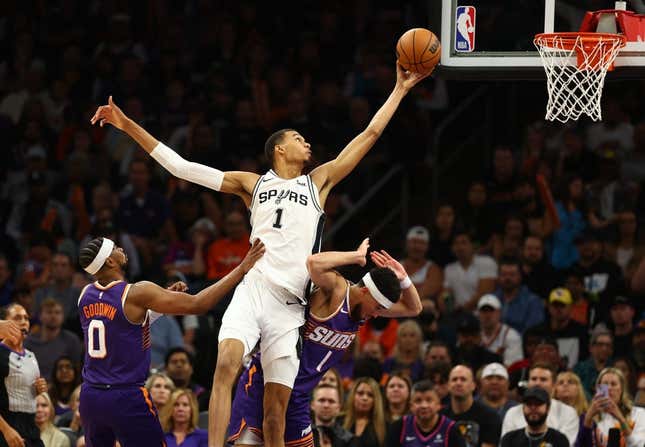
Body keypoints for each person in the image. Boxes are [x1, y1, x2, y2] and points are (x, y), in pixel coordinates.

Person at [91, 62, 430, 447]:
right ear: (279, 148)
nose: (307, 144)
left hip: (290, 306)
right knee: (224, 367)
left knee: (275, 414)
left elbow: (368, 134)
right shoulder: (251, 184)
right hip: (254, 288)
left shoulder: (319, 182)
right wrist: (126, 123)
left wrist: (400, 90)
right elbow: (181, 167)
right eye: (299, 138)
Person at [227, 242, 422, 446]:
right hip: (264, 383)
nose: (376, 314)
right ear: (365, 291)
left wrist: (404, 279)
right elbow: (314, 262)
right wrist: (356, 257)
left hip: (299, 397)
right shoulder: (337, 290)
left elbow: (414, 308)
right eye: (377, 307)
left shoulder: (364, 310)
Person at [76, 236, 264, 447]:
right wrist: (242, 268)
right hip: (125, 395)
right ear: (110, 261)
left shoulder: (85, 295)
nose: (121, 248)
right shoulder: (138, 292)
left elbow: (122, 324)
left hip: (90, 396)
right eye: (115, 248)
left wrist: (160, 303)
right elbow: (198, 304)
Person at [0, 303, 49, 447]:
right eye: (17, 318)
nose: (23, 322)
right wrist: (6, 431)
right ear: (4, 323)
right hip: (8, 426)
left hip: (31, 427)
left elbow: (29, 393)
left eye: (26, 318)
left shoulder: (31, 356)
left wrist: (39, 390)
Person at [502, 363, 579, 445]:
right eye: (534, 379)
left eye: (543, 379)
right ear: (528, 383)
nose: (537, 383)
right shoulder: (512, 413)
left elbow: (566, 443)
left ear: (553, 385)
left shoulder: (568, 412)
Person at [576, 367, 645, 447]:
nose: (609, 388)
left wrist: (620, 418)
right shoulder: (588, 417)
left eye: (613, 384)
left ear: (622, 389)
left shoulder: (639, 413)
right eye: (604, 384)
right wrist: (588, 417)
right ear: (598, 389)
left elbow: (639, 445)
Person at [385, 380, 466, 447]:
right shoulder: (399, 427)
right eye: (418, 401)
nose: (424, 405)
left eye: (429, 400)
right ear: (411, 406)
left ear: (438, 405)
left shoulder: (452, 429)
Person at [442, 365, 501, 447]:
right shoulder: (440, 416)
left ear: (473, 385)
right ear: (448, 386)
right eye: (454, 379)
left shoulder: (490, 417)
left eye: (463, 379)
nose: (458, 383)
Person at [500, 387, 569, 447]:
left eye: (538, 404)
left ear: (548, 408)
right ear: (523, 408)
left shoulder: (559, 440)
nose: (533, 408)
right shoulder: (509, 439)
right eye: (529, 404)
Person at [476, 294, 522, 367]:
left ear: (499, 313)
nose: (487, 315)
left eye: (491, 311)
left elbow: (513, 366)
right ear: (478, 314)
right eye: (484, 311)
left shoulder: (511, 335)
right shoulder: (473, 335)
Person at [400, 226, 442, 301]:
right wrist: (418, 286)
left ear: (427, 246)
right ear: (407, 244)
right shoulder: (397, 266)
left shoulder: (433, 269)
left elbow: (424, 293)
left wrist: (402, 288)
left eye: (421, 243)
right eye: (414, 242)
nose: (417, 247)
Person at [343, 377, 386, 447]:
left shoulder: (385, 427)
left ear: (376, 400)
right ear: (353, 396)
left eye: (370, 395)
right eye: (360, 393)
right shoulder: (339, 422)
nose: (364, 398)